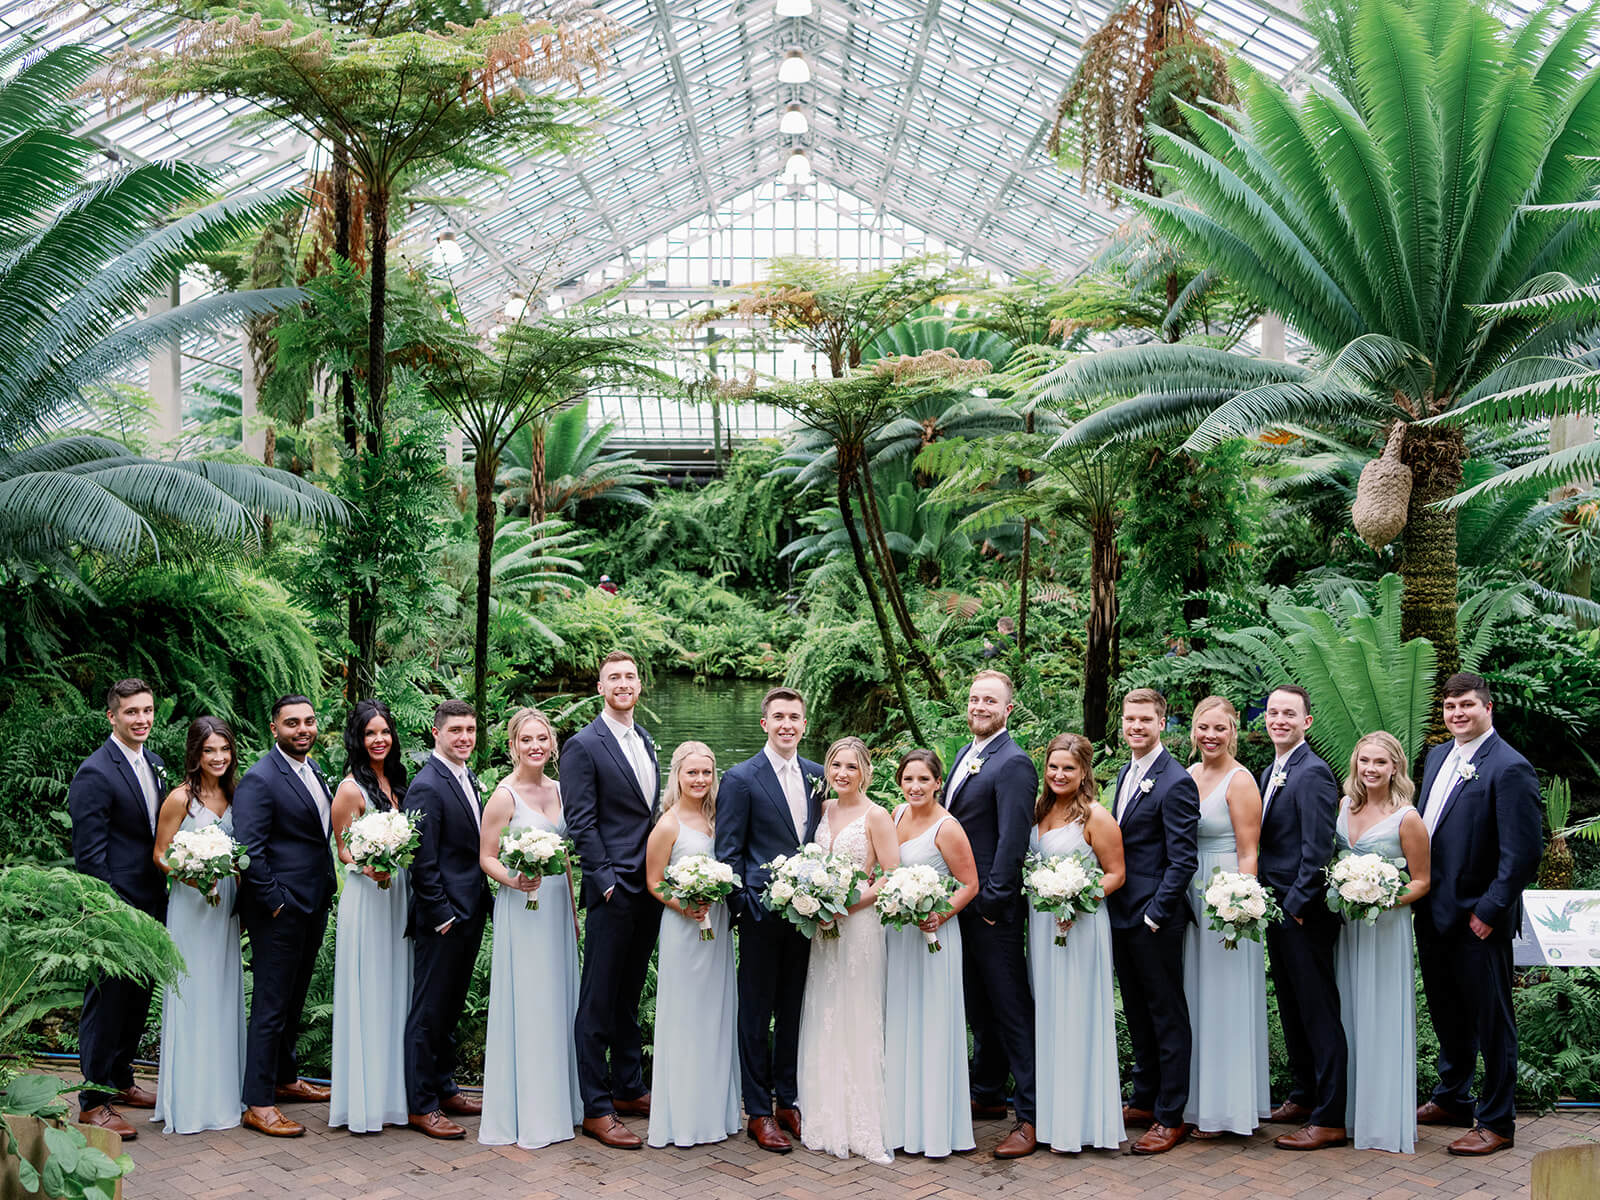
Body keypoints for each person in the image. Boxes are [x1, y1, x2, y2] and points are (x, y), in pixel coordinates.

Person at [1414, 673, 1542, 1157]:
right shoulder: (1438, 756)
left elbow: (1522, 853)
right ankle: (1451, 1098)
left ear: (1488, 709)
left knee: (1492, 1021)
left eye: (1467, 705)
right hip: (1433, 911)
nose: (1457, 714)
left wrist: (1490, 909)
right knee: (1448, 1012)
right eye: (1450, 707)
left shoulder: (1510, 767)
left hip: (1476, 918)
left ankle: (1497, 1121)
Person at [713, 686, 825, 1153]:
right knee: (756, 1015)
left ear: (804, 724)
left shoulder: (819, 776)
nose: (786, 725)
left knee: (796, 1009)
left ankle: (788, 1100)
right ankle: (758, 1111)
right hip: (761, 916)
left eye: (794, 718)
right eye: (778, 717)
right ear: (765, 724)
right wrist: (744, 906)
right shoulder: (740, 779)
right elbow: (728, 852)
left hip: (810, 917)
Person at [564, 651, 662, 1149]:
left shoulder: (643, 739)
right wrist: (603, 880)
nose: (623, 684)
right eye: (614, 678)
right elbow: (581, 820)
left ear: (638, 685)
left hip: (648, 888)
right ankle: (595, 1107)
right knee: (598, 998)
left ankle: (628, 1087)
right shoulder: (584, 745)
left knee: (628, 994)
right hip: (613, 889)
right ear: (600, 687)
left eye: (630, 677)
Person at [942, 670, 1039, 1159]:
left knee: (1010, 1008)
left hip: (990, 909)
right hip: (962, 901)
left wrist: (992, 903)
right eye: (975, 698)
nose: (980, 706)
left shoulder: (1014, 763)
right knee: (979, 1006)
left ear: (1009, 709)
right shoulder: (968, 753)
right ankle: (987, 1094)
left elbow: (1012, 839)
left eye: (990, 700)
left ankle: (1031, 1116)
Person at [232, 694, 338, 1137]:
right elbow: (249, 850)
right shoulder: (260, 778)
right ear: (274, 728)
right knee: (272, 1006)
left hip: (313, 903)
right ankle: (258, 1103)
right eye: (292, 723)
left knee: (294, 1000)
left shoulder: (313, 769)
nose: (303, 729)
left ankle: (286, 1079)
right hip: (279, 910)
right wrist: (277, 901)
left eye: (309, 721)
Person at [478, 708, 582, 1150]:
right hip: (522, 907)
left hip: (556, 905)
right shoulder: (504, 796)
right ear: (513, 745)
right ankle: (530, 1112)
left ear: (552, 744)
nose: (536, 746)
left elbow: (567, 858)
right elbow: (486, 856)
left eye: (543, 739)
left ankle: (562, 1105)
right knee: (530, 1002)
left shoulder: (562, 790)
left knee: (559, 1000)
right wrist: (515, 881)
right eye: (527, 740)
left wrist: (574, 912)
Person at [70, 679, 168, 1139]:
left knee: (137, 999)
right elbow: (89, 856)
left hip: (153, 902)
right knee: (107, 1002)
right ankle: (92, 1101)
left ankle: (123, 1080)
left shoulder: (155, 763)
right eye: (132, 712)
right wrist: (110, 910)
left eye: (147, 711)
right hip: (116, 908)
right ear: (112, 716)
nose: (142, 719)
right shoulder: (95, 772)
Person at [796, 736, 899, 1165]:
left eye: (851, 767)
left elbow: (890, 875)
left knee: (857, 1010)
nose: (841, 773)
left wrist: (846, 906)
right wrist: (815, 905)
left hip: (858, 926)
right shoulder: (822, 810)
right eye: (835, 765)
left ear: (865, 772)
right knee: (824, 1010)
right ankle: (821, 1112)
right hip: (822, 927)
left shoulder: (876, 816)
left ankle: (860, 1118)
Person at [1256, 685, 1348, 1152]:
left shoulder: (1312, 773)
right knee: (1292, 1007)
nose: (1279, 720)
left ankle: (1330, 1117)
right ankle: (1303, 1094)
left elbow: (1317, 849)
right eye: (1273, 712)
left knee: (1317, 1011)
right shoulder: (1271, 769)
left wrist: (1293, 905)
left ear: (1307, 722)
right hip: (1275, 908)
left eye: (1289, 714)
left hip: (1301, 913)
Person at [1108, 687, 1199, 1156]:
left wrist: (1156, 916)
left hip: (1153, 919)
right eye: (1129, 719)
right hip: (1121, 913)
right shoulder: (1126, 772)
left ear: (1163, 723)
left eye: (1145, 719)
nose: (1136, 726)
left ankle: (1170, 1115)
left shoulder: (1175, 780)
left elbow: (1183, 860)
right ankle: (1144, 1098)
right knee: (1139, 1013)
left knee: (1166, 1014)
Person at [1029, 733, 1126, 1154]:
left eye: (1068, 768)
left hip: (1080, 926)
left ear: (1084, 771)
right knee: (1048, 1015)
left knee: (1076, 1015)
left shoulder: (1096, 817)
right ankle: (1050, 1117)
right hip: (1041, 923)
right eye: (1053, 766)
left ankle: (1083, 1122)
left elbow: (1116, 873)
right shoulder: (1039, 809)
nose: (1058, 774)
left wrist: (1076, 898)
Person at [1335, 731, 1431, 1153]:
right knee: (1347, 1012)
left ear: (1395, 767)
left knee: (1380, 1014)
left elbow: (1424, 881)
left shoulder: (1406, 818)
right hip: (1346, 925)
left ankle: (1382, 1120)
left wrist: (1384, 897)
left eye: (1379, 762)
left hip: (1385, 927)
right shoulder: (1344, 806)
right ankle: (1350, 1114)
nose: (1370, 769)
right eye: (1364, 761)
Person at [1181, 697, 1270, 1139]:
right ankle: (1198, 1100)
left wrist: (1238, 904)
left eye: (1219, 728)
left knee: (1225, 997)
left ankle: (1228, 1110)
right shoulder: (1190, 774)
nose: (1210, 736)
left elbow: (1249, 850)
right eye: (1203, 727)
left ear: (1233, 731)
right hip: (1189, 890)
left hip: (1225, 895)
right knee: (1195, 995)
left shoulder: (1241, 781)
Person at [151, 717, 245, 1135]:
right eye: (210, 750)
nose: (218, 757)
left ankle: (224, 1095)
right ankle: (188, 1101)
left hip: (225, 907)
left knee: (223, 994)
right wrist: (191, 873)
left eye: (224, 749)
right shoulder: (179, 800)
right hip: (191, 905)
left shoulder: (237, 795)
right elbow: (160, 854)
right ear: (195, 753)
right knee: (191, 992)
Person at [645, 742, 742, 1149]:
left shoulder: (720, 818)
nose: (700, 780)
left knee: (716, 1013)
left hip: (716, 925)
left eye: (706, 773)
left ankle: (715, 1112)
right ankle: (682, 1117)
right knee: (685, 1016)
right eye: (692, 773)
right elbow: (653, 882)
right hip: (684, 927)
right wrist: (684, 905)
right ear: (678, 776)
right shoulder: (668, 824)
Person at [404, 699, 493, 1140]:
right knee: (428, 1011)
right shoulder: (427, 785)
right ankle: (421, 1104)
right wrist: (440, 915)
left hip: (470, 910)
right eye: (456, 730)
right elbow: (422, 859)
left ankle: (444, 1086)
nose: (465, 738)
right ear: (436, 733)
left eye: (471, 730)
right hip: (445, 918)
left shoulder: (465, 776)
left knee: (450, 1007)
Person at [884, 749, 979, 1159]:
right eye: (908, 780)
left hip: (933, 936)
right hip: (899, 936)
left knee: (932, 1022)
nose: (915, 787)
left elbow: (969, 883)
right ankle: (900, 1123)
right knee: (900, 1020)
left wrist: (938, 915)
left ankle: (937, 1128)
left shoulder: (948, 827)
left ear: (938, 782)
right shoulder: (895, 816)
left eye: (923, 780)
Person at [330, 700, 413, 1134]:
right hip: (367, 893)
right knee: (370, 989)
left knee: (396, 988)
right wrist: (366, 864)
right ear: (357, 740)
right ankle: (363, 1101)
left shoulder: (397, 781)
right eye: (369, 734)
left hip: (397, 893)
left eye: (384, 732)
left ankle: (393, 1094)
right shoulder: (350, 789)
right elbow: (342, 846)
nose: (379, 740)